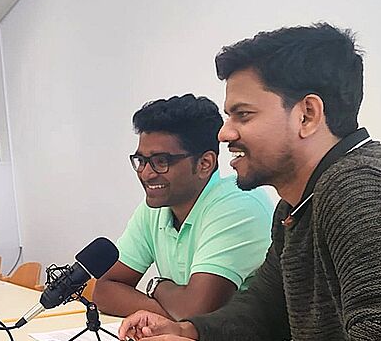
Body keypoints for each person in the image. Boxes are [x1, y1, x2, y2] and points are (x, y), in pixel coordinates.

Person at [119, 23, 381, 341]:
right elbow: (267, 309)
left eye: (243, 115)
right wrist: (189, 333)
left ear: (307, 115)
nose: (224, 132)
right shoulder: (296, 205)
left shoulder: (362, 190)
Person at [94, 94, 273, 319]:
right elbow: (105, 289)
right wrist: (171, 315)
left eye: (161, 162)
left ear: (204, 164)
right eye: (141, 161)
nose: (147, 174)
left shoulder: (240, 203)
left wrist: (156, 286)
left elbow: (196, 312)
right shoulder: (155, 207)